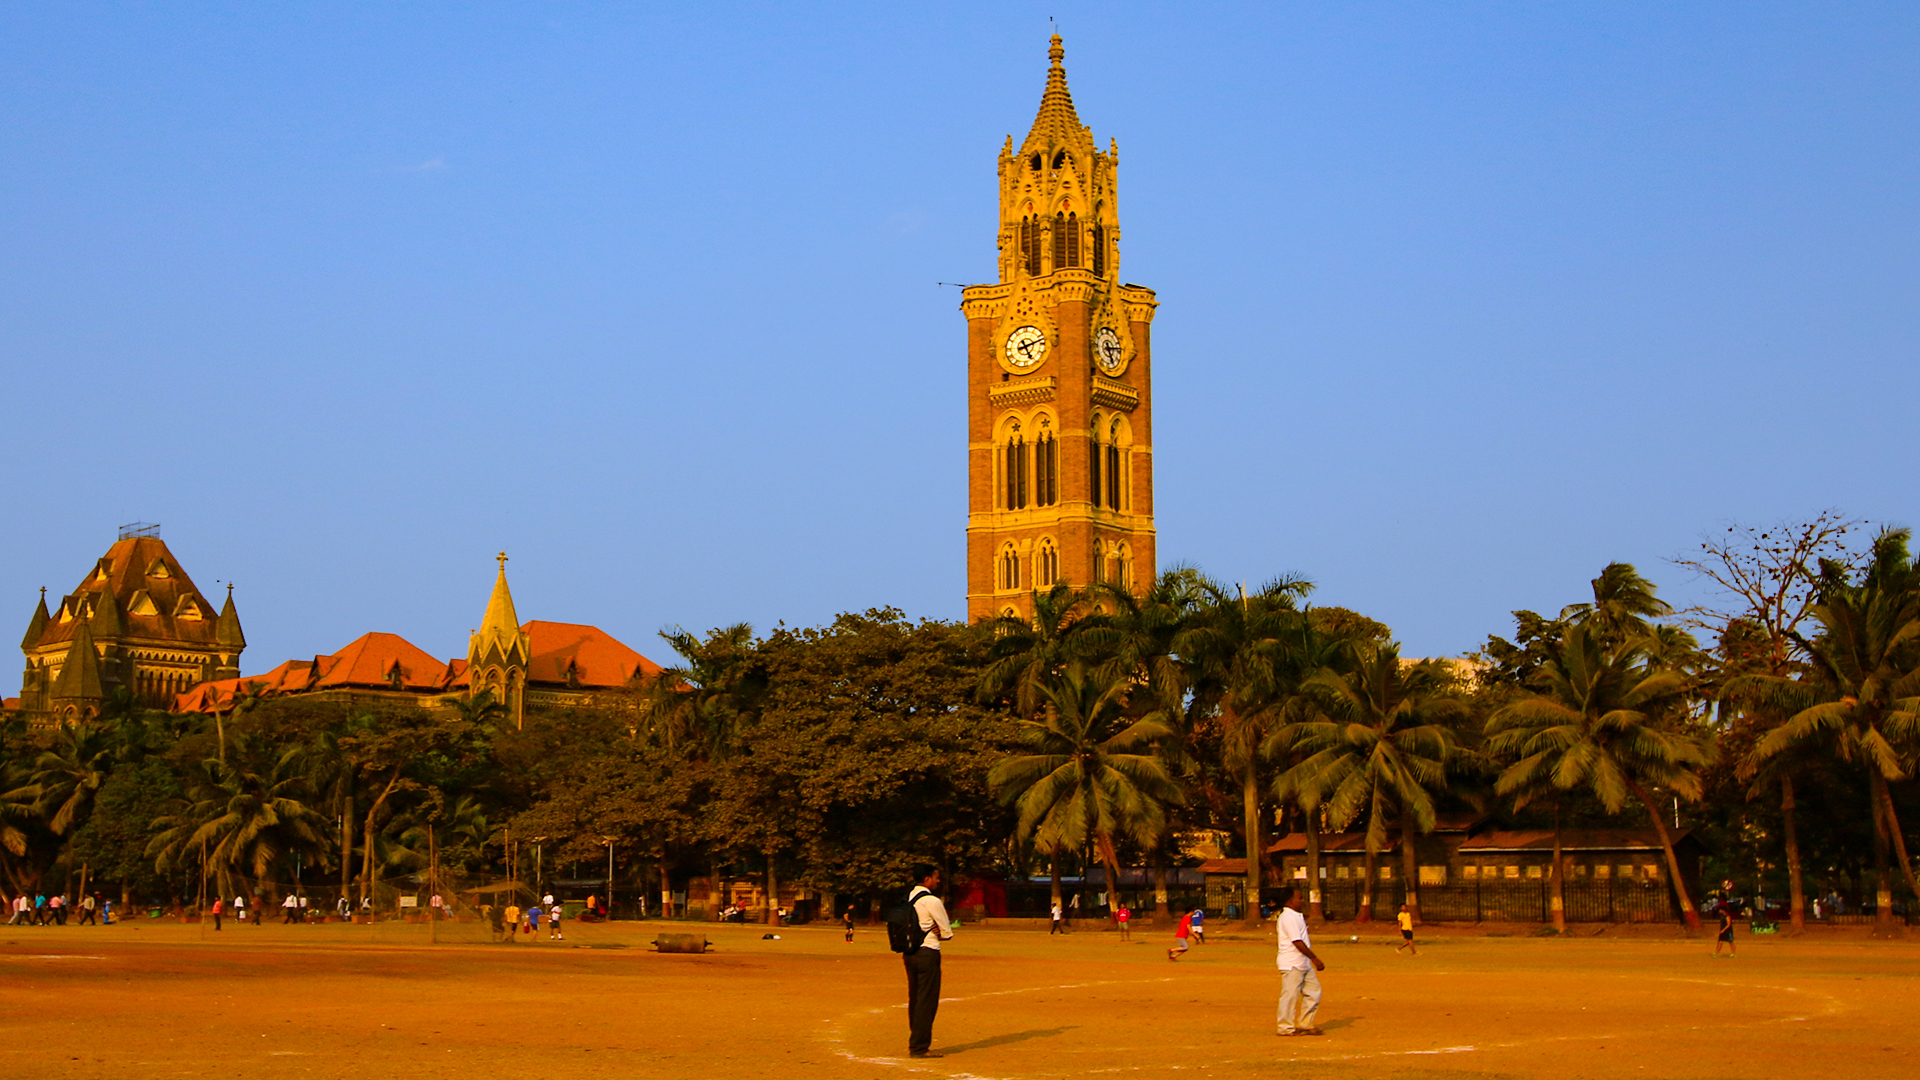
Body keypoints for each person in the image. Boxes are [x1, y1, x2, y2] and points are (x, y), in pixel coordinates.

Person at [902, 864, 952, 1059]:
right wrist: (939, 931)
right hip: (928, 952)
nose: (938, 880)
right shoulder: (931, 900)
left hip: (909, 952)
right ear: (927, 879)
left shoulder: (907, 898)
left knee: (915, 997)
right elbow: (946, 932)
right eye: (935, 877)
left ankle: (916, 1038)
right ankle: (919, 1046)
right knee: (927, 1000)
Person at [1275, 886, 1325, 1036]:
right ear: (1290, 901)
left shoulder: (1297, 916)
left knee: (1314, 992)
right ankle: (1285, 1027)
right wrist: (1314, 958)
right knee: (1290, 996)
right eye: (1300, 898)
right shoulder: (1288, 917)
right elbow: (1297, 941)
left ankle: (1305, 1023)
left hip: (1303, 963)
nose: (1303, 901)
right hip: (1292, 963)